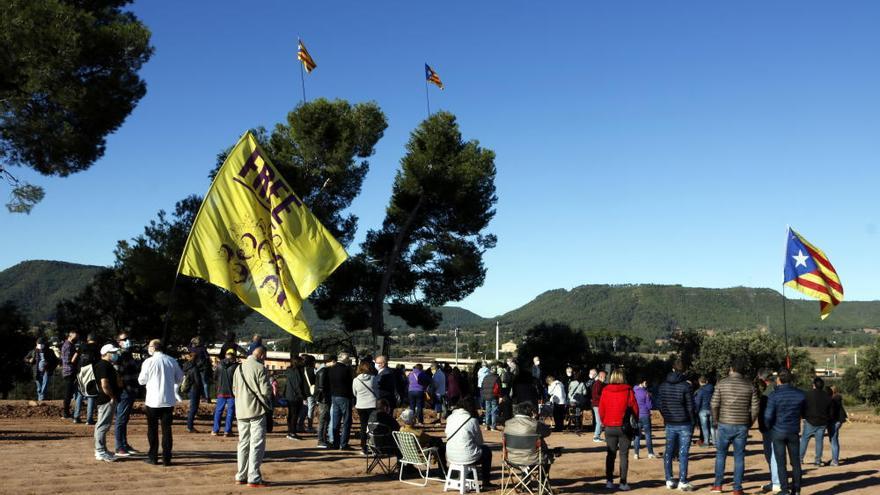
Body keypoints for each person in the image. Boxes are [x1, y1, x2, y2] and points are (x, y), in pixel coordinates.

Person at [711, 357, 759, 495]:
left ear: (731, 369)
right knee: (739, 456)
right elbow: (755, 407)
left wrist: (715, 420)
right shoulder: (750, 385)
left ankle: (718, 485)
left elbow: (714, 404)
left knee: (721, 455)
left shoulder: (721, 383)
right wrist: (750, 422)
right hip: (742, 425)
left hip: (724, 423)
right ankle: (737, 488)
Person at [138, 339, 184, 466]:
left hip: (152, 401)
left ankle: (153, 457)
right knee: (167, 431)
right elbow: (180, 377)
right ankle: (166, 459)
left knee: (152, 430)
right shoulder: (171, 360)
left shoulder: (148, 362)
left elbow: (141, 380)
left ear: (153, 348)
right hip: (168, 400)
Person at [233, 346, 272, 487]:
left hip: (241, 410)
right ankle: (253, 477)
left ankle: (240, 475)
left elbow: (234, 389)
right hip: (256, 410)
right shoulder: (260, 368)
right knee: (256, 444)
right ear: (261, 355)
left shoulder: (239, 368)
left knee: (243, 443)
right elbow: (266, 391)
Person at [764, 368, 806, 495]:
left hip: (778, 431)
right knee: (796, 462)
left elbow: (768, 416)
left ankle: (784, 489)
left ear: (779, 380)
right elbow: (804, 412)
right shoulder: (800, 394)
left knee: (781, 462)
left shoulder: (774, 395)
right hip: (793, 431)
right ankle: (796, 489)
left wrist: (769, 427)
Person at [658, 359, 696, 491]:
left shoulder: (663, 386)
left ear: (673, 369)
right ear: (684, 371)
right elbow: (691, 407)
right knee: (683, 453)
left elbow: (661, 405)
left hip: (670, 422)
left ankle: (668, 479)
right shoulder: (686, 386)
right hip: (684, 422)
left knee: (668, 452)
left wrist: (666, 417)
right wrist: (692, 421)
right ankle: (682, 481)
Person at [598, 368, 638, 491]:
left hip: (609, 427)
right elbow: (635, 408)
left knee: (610, 455)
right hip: (624, 427)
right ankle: (623, 482)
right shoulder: (628, 390)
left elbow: (601, 409)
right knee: (623, 455)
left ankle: (609, 481)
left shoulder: (605, 390)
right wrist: (634, 419)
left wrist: (605, 422)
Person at [445, 397, 495, 489]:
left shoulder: (449, 418)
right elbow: (480, 442)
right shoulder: (472, 421)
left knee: (469, 449)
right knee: (486, 451)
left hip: (451, 456)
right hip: (467, 456)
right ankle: (486, 482)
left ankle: (469, 475)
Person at [114, 331, 141, 457]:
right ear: (119, 342)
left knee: (124, 419)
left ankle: (124, 444)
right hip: (125, 391)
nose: (128, 341)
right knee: (121, 419)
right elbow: (117, 374)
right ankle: (119, 446)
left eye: (128, 338)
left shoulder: (128, 354)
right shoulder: (120, 355)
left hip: (131, 390)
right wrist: (121, 387)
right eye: (125, 339)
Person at [504, 401, 553, 472]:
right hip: (533, 460)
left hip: (511, 460)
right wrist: (538, 421)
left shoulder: (508, 423)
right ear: (531, 412)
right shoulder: (535, 424)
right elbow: (548, 432)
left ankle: (525, 477)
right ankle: (543, 479)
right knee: (544, 447)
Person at [92, 344, 121, 462]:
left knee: (102, 425)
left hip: (104, 399)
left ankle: (102, 449)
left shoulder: (104, 365)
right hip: (106, 399)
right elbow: (104, 384)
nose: (115, 354)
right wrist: (112, 397)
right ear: (105, 353)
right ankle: (100, 451)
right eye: (112, 352)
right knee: (103, 426)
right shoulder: (104, 366)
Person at [757, 370, 781, 492]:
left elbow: (766, 412)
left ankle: (776, 482)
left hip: (770, 428)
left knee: (771, 455)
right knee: (775, 455)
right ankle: (776, 480)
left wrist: (763, 426)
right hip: (779, 426)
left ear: (763, 380)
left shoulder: (769, 392)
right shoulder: (778, 388)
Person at [800, 377, 831, 466]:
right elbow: (829, 410)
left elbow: (802, 406)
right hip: (822, 422)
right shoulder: (827, 396)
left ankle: (800, 459)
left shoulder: (807, 394)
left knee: (804, 440)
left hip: (809, 421)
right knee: (819, 441)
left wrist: (803, 416)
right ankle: (817, 461)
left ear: (813, 385)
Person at [328, 352, 354, 449]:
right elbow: (350, 382)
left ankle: (335, 442)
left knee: (336, 420)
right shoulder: (347, 369)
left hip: (334, 396)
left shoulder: (332, 369)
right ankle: (343, 444)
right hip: (345, 396)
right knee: (346, 421)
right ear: (345, 359)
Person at [352, 360, 377, 455]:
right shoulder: (374, 378)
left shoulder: (356, 380)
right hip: (372, 404)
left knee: (363, 426)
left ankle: (363, 447)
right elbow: (377, 391)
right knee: (373, 426)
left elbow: (354, 393)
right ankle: (373, 446)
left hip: (361, 405)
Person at [74, 333, 99, 424]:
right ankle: (89, 419)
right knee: (91, 395)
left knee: (80, 394)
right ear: (95, 339)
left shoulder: (81, 346)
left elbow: (74, 359)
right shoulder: (96, 347)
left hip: (80, 371)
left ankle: (76, 417)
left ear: (88, 339)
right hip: (91, 372)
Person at [213, 348, 238, 436]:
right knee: (230, 412)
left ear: (226, 355)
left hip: (221, 391)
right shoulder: (236, 366)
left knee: (218, 411)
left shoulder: (219, 365)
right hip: (232, 393)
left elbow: (215, 377)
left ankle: (215, 430)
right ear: (234, 356)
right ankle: (227, 431)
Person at [25, 337, 57, 402]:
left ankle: (41, 397)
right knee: (39, 387)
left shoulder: (50, 351)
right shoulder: (33, 351)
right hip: (36, 371)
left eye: (42, 343)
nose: (40, 345)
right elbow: (25, 358)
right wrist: (29, 360)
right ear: (36, 344)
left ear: (44, 344)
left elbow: (56, 361)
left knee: (45, 383)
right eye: (39, 343)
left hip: (47, 370)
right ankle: (40, 398)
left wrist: (52, 368)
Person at [314, 354, 335, 448]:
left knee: (325, 419)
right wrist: (323, 399)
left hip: (324, 398)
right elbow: (321, 388)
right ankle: (321, 440)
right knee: (323, 419)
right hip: (324, 399)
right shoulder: (324, 371)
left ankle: (323, 439)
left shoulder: (323, 371)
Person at [633, 377, 656, 459]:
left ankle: (636, 453)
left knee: (637, 435)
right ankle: (650, 453)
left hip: (636, 415)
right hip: (645, 415)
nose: (646, 384)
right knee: (648, 435)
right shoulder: (646, 393)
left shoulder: (633, 391)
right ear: (641, 383)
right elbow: (649, 406)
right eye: (645, 383)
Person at [181, 351, 203, 433]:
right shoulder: (195, 368)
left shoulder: (186, 366)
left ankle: (189, 426)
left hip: (189, 389)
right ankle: (190, 426)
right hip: (195, 389)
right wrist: (202, 392)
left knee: (192, 408)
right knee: (193, 408)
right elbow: (198, 381)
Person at [60, 331, 80, 419]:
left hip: (69, 371)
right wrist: (77, 354)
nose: (76, 339)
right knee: (68, 393)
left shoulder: (69, 345)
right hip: (69, 371)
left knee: (69, 393)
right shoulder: (68, 346)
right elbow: (69, 360)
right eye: (75, 337)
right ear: (70, 336)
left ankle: (67, 412)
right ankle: (65, 413)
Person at [297, 354, 317, 433]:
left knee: (304, 409)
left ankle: (300, 425)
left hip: (303, 393)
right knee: (310, 410)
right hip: (311, 392)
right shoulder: (313, 370)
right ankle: (309, 426)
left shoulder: (301, 370)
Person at [188, 336, 211, 403]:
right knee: (205, 383)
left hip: (196, 367)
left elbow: (188, 347)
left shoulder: (192, 349)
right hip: (203, 367)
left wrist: (191, 341)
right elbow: (207, 357)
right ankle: (207, 398)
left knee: (198, 383)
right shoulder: (203, 349)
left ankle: (201, 397)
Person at [827, 385, 846, 466]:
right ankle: (834, 459)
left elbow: (832, 413)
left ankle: (835, 460)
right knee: (834, 439)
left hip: (834, 421)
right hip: (838, 421)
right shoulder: (837, 398)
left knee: (834, 440)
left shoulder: (833, 400)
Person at [694, 376, 715, 446]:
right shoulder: (713, 389)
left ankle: (706, 442)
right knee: (712, 427)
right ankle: (715, 442)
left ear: (700, 382)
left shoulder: (700, 391)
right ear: (707, 381)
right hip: (712, 409)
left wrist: (696, 411)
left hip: (703, 410)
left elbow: (698, 402)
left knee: (704, 427)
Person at [481, 365, 502, 431]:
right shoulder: (497, 378)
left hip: (487, 396)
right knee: (494, 411)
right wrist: (500, 396)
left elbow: (482, 386)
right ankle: (493, 426)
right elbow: (499, 388)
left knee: (487, 411)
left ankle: (487, 425)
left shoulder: (486, 377)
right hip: (494, 396)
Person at [592, 370, 607, 442]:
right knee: (599, 421)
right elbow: (596, 395)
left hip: (599, 405)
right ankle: (596, 437)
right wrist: (604, 398)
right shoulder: (598, 384)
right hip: (597, 405)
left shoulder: (600, 383)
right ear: (601, 376)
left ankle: (597, 436)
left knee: (600, 421)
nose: (606, 378)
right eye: (605, 377)